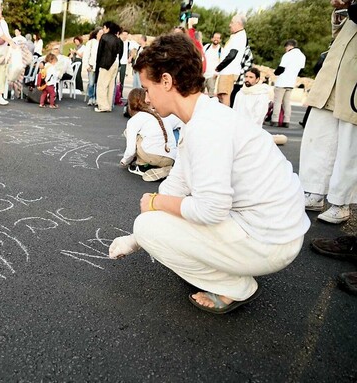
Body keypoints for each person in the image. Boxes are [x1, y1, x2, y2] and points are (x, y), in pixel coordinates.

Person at [108, 33, 310, 314]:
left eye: (148, 87)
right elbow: (176, 185)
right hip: (270, 227)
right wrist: (135, 238)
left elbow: (211, 209)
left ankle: (234, 286)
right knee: (152, 224)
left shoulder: (206, 128)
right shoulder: (203, 118)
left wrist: (154, 207)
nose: (148, 97)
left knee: (150, 226)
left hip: (271, 240)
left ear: (166, 81)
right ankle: (230, 267)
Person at [299, 0, 357, 224]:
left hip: (352, 77)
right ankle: (314, 191)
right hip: (334, 72)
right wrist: (340, 7)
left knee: (349, 143)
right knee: (320, 133)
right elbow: (340, 31)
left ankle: (341, 202)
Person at [120, 88, 177, 181]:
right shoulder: (160, 113)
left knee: (131, 134)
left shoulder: (134, 120)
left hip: (153, 156)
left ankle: (141, 166)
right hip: (171, 158)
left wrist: (125, 161)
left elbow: (131, 150)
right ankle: (166, 168)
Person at [233, 68, 287, 145]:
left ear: (257, 79)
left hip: (252, 130)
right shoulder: (240, 93)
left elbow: (259, 116)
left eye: (251, 77)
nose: (247, 79)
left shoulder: (261, 94)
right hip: (237, 129)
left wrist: (247, 130)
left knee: (281, 139)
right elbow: (235, 111)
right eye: (246, 76)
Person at [271, 39, 306, 127]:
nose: (285, 49)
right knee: (287, 102)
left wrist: (275, 73)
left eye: (285, 47)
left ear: (289, 46)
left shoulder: (288, 55)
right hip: (291, 82)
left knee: (278, 102)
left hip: (282, 81)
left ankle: (274, 120)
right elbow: (301, 70)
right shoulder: (302, 56)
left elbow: (281, 68)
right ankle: (286, 121)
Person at [215, 14, 248, 107]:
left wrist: (219, 67)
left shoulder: (239, 36)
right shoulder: (236, 35)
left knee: (225, 96)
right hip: (226, 71)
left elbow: (232, 55)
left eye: (232, 22)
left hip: (229, 71)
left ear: (238, 24)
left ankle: (225, 118)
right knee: (221, 95)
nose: (230, 25)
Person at [94, 21, 123, 113]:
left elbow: (100, 52)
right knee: (111, 85)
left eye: (104, 27)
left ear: (107, 28)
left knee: (102, 85)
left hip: (105, 63)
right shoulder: (118, 40)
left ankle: (103, 106)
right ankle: (109, 105)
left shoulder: (104, 37)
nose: (103, 29)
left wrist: (97, 64)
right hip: (115, 62)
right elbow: (121, 53)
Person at [83, 28, 102, 106]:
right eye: (100, 33)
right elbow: (86, 55)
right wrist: (87, 65)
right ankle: (91, 97)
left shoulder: (103, 43)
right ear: (96, 34)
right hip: (91, 66)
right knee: (91, 83)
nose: (101, 35)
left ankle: (97, 98)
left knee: (98, 84)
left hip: (100, 67)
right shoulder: (91, 43)